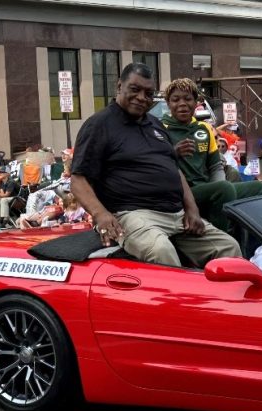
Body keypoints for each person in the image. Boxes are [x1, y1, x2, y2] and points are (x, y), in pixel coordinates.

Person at [70, 62, 241, 268]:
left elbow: (174, 171)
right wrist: (101, 214)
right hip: (133, 215)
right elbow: (78, 179)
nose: (142, 97)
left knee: (229, 248)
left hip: (176, 215)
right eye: (135, 89)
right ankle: (182, 300)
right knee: (161, 251)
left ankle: (222, 301)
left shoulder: (156, 125)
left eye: (149, 93)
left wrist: (192, 209)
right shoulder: (99, 125)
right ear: (119, 87)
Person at [161, 78, 262, 232]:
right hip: (183, 194)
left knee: (260, 188)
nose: (182, 104)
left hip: (209, 189)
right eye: (175, 100)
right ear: (168, 103)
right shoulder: (161, 129)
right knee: (225, 189)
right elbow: (157, 165)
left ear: (196, 102)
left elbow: (215, 166)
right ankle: (222, 236)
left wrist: (217, 187)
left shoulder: (205, 129)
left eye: (187, 99)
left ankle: (252, 246)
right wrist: (173, 152)